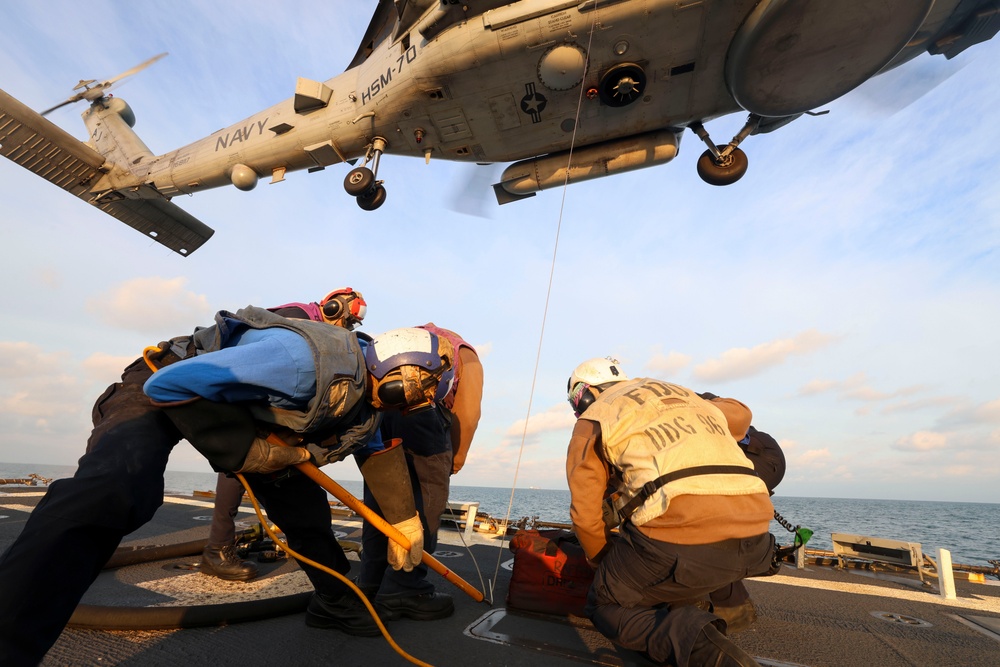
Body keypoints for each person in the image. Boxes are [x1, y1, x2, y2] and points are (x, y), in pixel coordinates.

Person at [0, 304, 451, 667]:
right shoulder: (304, 363)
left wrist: (404, 519)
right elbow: (172, 385)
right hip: (167, 378)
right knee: (113, 490)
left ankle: (334, 602)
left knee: (307, 515)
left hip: (247, 417)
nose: (424, 403)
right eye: (424, 390)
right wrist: (250, 453)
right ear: (397, 373)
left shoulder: (369, 402)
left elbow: (374, 450)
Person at [564, 358, 774, 667]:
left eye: (575, 401)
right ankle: (725, 608)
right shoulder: (682, 394)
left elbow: (585, 515)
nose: (576, 409)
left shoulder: (594, 417)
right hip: (758, 537)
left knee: (606, 603)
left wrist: (602, 565)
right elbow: (742, 415)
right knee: (677, 561)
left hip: (684, 542)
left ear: (583, 394)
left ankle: (708, 652)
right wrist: (705, 404)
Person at [200, 288, 368, 582]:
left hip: (244, 401)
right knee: (239, 467)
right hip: (233, 394)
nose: (347, 329)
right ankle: (218, 550)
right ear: (331, 308)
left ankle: (219, 547)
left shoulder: (311, 329)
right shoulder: (297, 318)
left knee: (240, 470)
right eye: (347, 320)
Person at [356, 323, 483, 620]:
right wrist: (454, 460)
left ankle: (370, 583)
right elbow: (468, 414)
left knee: (382, 500)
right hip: (424, 415)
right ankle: (404, 587)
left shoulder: (406, 341)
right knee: (425, 505)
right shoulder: (464, 354)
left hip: (382, 413)